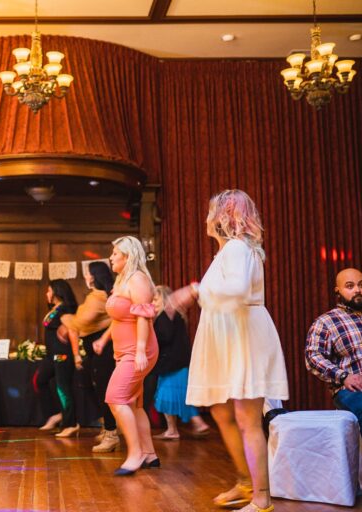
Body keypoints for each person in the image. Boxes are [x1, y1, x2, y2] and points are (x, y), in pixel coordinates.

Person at [172, 189, 288, 511]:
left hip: (243, 335)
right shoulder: (227, 252)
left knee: (247, 418)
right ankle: (246, 482)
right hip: (229, 336)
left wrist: (194, 290)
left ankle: (262, 498)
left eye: (211, 212)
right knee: (221, 411)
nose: (206, 218)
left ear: (223, 217)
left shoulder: (237, 248)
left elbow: (236, 290)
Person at [305, 268, 362, 451]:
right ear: (337, 291)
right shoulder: (327, 322)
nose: (357, 290)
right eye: (350, 286)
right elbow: (313, 356)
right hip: (358, 389)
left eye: (361, 285)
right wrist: (344, 376)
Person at [98, 235, 160, 476]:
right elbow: (120, 318)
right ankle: (149, 454)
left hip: (137, 350)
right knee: (134, 404)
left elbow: (143, 317)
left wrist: (141, 351)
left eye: (115, 253)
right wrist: (104, 339)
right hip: (124, 351)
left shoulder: (138, 279)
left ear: (128, 256)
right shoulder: (122, 280)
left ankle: (135, 454)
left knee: (116, 398)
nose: (111, 257)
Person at [151, 285, 210, 440]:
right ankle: (175, 429)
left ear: (165, 299)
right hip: (175, 363)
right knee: (173, 395)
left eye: (155, 299)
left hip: (172, 364)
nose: (153, 303)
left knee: (171, 395)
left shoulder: (166, 314)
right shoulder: (172, 315)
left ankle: (195, 423)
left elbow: (164, 337)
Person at [71, 261, 117, 452]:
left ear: (94, 276)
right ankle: (108, 427)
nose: (85, 276)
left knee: (105, 392)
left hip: (103, 350)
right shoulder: (97, 295)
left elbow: (81, 321)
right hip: (96, 351)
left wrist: (67, 322)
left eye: (88, 273)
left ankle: (111, 434)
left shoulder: (98, 297)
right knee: (92, 386)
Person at [36, 280, 79, 438]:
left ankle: (71, 424)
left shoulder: (66, 309)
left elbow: (74, 328)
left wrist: (76, 354)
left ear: (57, 291)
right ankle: (55, 414)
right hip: (51, 355)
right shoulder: (55, 309)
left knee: (63, 389)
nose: (47, 294)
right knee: (39, 380)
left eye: (49, 290)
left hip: (62, 354)